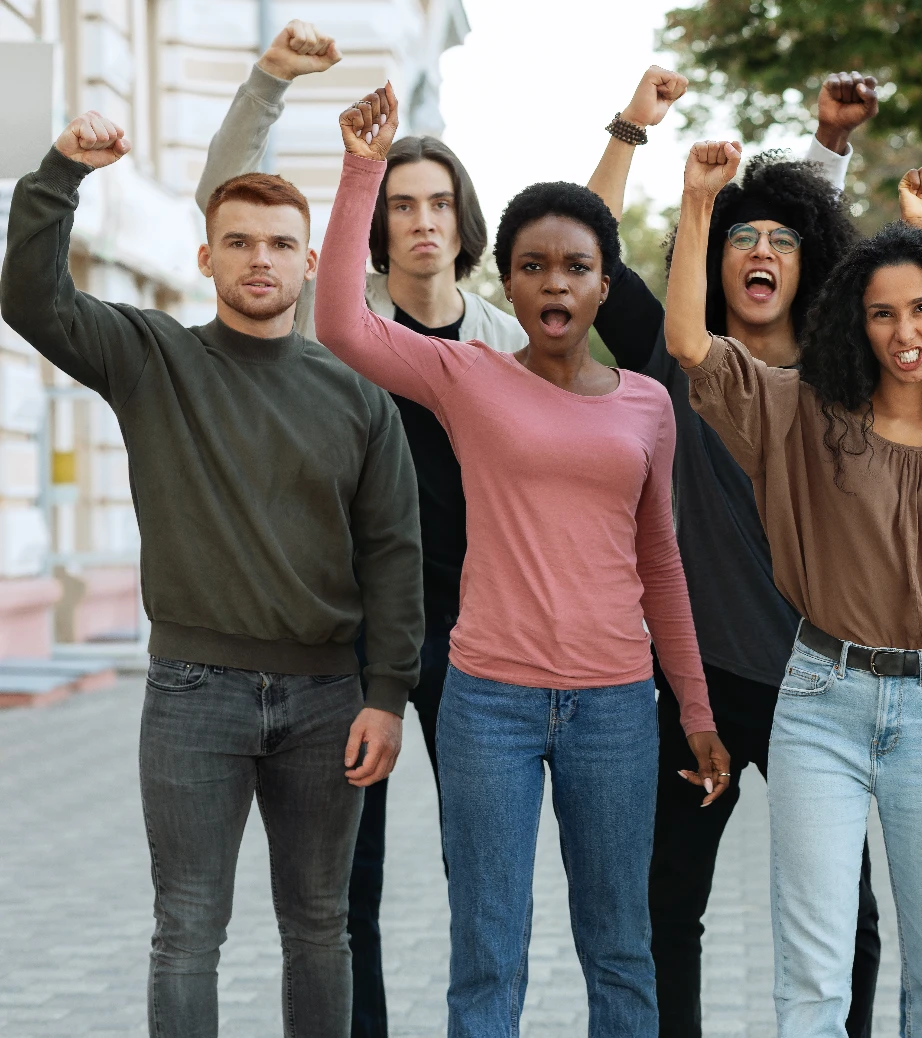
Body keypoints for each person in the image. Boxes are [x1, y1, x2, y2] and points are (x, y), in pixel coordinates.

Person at [314, 84, 730, 1037]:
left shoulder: (646, 407)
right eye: (533, 266)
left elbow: (660, 564)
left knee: (620, 951)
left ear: (602, 283)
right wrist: (360, 169)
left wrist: (695, 710)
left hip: (618, 707)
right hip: (488, 703)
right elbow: (340, 324)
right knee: (488, 956)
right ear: (507, 279)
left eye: (576, 267)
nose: (554, 284)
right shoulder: (467, 376)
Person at [1, 111, 422, 1038]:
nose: (258, 258)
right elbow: (32, 300)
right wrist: (61, 173)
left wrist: (387, 693)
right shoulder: (155, 358)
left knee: (320, 927)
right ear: (207, 259)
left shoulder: (358, 400)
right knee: (187, 929)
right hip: (194, 693)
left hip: (326, 698)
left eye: (279, 243)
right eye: (238, 242)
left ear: (311, 263)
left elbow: (394, 553)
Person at [665, 139, 922, 1037]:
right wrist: (697, 202)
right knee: (812, 976)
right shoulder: (802, 413)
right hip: (821, 699)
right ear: (855, 323)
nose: (904, 332)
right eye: (882, 314)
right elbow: (689, 342)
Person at [192, 23, 525, 1036]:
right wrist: (269, 82)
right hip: (355, 642)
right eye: (400, 203)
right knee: (349, 884)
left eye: (437, 202)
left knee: (482, 872)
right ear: (374, 225)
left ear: (463, 221)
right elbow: (228, 194)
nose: (420, 219)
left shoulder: (506, 340)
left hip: (479, 638)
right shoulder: (337, 328)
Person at [584, 65, 883, 1038]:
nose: (760, 252)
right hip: (691, 685)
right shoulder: (676, 356)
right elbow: (588, 247)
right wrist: (634, 129)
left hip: (819, 687)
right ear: (710, 259)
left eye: (781, 242)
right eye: (739, 238)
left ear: (810, 265)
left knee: (855, 923)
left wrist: (829, 148)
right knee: (666, 910)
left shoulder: (848, 375)